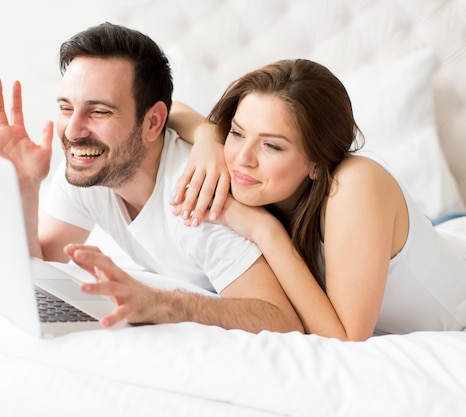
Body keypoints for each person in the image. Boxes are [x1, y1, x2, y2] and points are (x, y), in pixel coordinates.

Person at [0, 23, 303, 334]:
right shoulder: (90, 169)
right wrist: (25, 190)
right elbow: (42, 268)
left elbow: (280, 318)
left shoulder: (199, 197)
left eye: (99, 111)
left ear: (153, 122)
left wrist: (164, 305)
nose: (73, 131)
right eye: (65, 108)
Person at [168, 59, 466, 341]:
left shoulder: (354, 183)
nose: (242, 159)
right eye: (236, 132)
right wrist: (207, 138)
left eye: (271, 146)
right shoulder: (249, 167)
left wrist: (266, 231)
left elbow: (346, 338)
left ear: (316, 162)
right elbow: (170, 110)